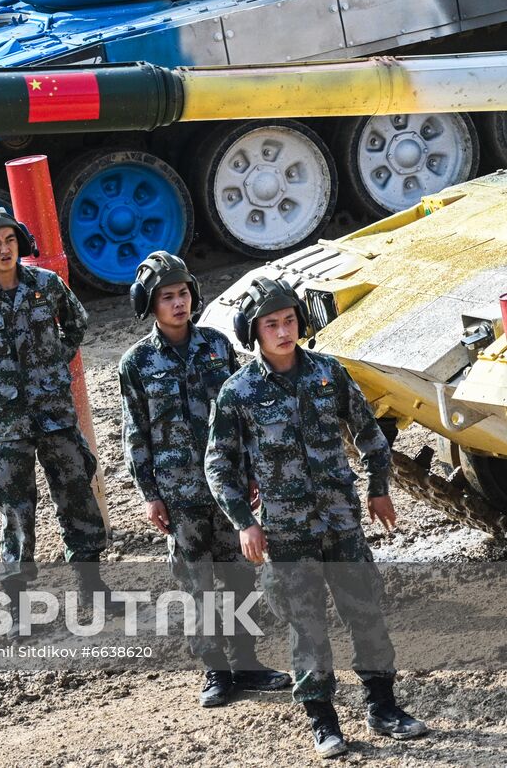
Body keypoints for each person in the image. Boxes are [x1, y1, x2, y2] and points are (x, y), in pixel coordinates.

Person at [206, 277, 428, 759]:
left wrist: (379, 488)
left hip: (341, 521)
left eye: (289, 321)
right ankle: (322, 720)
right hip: (285, 532)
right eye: (271, 324)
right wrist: (245, 520)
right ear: (254, 332)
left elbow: (369, 433)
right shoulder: (237, 392)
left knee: (365, 613)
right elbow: (218, 463)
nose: (283, 332)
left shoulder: (329, 373)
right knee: (307, 628)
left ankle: (383, 707)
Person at [119, 252, 289, 707]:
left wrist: (250, 468)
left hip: (226, 485)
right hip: (178, 492)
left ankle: (248, 664)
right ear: (150, 305)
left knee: (238, 577)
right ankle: (216, 671)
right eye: (168, 297)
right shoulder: (135, 364)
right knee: (196, 584)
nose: (179, 304)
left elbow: (241, 413)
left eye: (184, 294)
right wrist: (149, 494)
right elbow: (135, 431)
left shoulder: (217, 345)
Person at [0, 207, 111, 627]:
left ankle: (92, 589)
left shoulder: (46, 285)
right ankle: (17, 607)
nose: (4, 249)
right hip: (9, 424)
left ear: (20, 241)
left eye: (10, 240)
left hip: (56, 415)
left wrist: (53, 362)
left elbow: (76, 323)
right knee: (17, 511)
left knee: (76, 497)